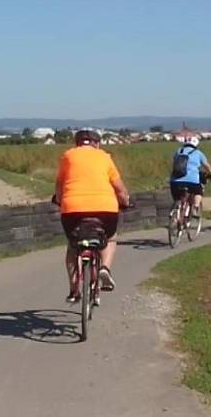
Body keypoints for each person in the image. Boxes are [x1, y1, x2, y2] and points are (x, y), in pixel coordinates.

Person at [54, 129, 130, 304]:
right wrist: (125, 201)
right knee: (110, 238)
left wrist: (59, 200)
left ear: (77, 143)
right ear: (97, 143)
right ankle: (105, 268)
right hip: (105, 209)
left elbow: (59, 184)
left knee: (73, 246)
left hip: (72, 209)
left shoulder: (68, 156)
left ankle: (74, 289)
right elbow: (119, 188)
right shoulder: (105, 157)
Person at [169, 136, 211, 218]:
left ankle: (175, 210)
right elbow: (207, 166)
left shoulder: (178, 151)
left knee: (177, 197)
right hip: (191, 180)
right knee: (199, 191)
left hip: (175, 181)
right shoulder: (198, 153)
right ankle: (195, 208)